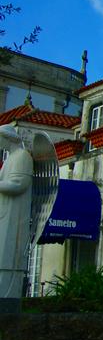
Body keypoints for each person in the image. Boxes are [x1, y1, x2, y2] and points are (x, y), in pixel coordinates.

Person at [0, 124, 33, 298]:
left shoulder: (22, 156)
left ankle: (7, 295)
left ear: (8, 138)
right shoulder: (9, 159)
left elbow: (19, 184)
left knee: (8, 253)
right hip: (4, 212)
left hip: (14, 215)